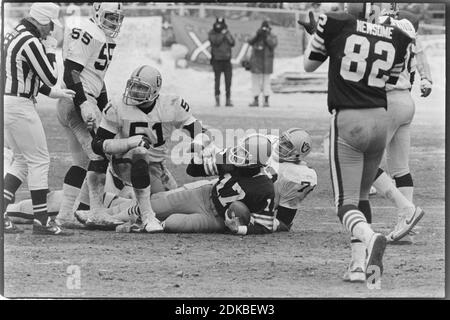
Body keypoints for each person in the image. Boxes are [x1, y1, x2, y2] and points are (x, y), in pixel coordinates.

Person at [299, 3, 413, 283]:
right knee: (362, 197)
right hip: (380, 119)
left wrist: (317, 34)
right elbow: (386, 74)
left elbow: (309, 64)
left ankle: (371, 236)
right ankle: (358, 266)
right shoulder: (396, 33)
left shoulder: (336, 23)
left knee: (345, 205)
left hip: (350, 120)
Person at [73, 129, 317, 234]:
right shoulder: (245, 156)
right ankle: (108, 211)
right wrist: (201, 153)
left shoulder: (285, 180)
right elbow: (193, 168)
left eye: (288, 146)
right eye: (281, 142)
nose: (281, 147)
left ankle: (120, 212)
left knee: (171, 222)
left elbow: (279, 223)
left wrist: (241, 225)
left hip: (224, 215)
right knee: (155, 203)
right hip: (205, 193)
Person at [89, 64, 212, 233]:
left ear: (155, 90)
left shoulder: (171, 105)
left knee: (170, 204)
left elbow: (201, 131)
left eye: (141, 87)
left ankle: (112, 203)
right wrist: (130, 142)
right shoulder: (118, 106)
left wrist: (198, 144)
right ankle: (144, 216)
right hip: (126, 162)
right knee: (140, 153)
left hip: (156, 165)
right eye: (132, 85)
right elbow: (97, 144)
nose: (134, 91)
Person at [3, 3, 75, 235]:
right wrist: (51, 48)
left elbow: (26, 75)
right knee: (39, 161)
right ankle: (42, 221)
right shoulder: (31, 41)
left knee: (23, 160)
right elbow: (50, 75)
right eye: (51, 26)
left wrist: (55, 94)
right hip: (19, 106)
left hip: (9, 102)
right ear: (44, 21)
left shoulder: (14, 34)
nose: (52, 31)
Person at [55, 2, 124, 226]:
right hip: (76, 103)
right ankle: (95, 211)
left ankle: (65, 215)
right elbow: (70, 72)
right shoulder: (87, 32)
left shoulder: (104, 37)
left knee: (82, 161)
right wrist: (84, 103)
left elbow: (95, 78)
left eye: (116, 18)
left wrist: (103, 104)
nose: (113, 22)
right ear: (96, 12)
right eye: (109, 16)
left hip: (81, 101)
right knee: (99, 154)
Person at [372, 7, 429, 243]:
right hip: (407, 99)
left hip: (388, 100)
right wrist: (427, 79)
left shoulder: (382, 34)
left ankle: (407, 210)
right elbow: (420, 55)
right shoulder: (409, 36)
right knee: (400, 168)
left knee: (366, 163)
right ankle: (407, 226)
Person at [247, 20, 277, 108]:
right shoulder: (257, 34)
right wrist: (257, 35)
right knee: (255, 82)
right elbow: (250, 41)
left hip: (266, 62)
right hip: (256, 61)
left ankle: (266, 100)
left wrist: (266, 37)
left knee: (266, 82)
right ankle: (255, 99)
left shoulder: (271, 35)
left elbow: (273, 44)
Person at [208, 17, 235, 107]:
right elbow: (216, 41)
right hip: (217, 60)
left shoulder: (226, 32)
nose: (219, 27)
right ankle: (217, 99)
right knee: (217, 81)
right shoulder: (212, 33)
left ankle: (228, 99)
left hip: (227, 60)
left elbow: (232, 43)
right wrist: (222, 34)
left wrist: (226, 34)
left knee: (228, 81)